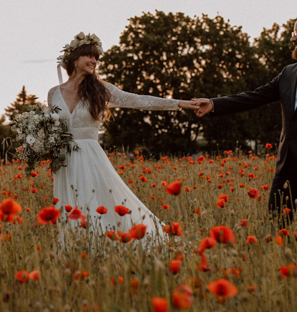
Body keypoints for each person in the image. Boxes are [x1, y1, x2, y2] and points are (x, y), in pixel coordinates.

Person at [195, 10, 297, 224]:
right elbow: (254, 97)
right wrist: (214, 104)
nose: (293, 38)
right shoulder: (288, 72)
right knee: (276, 228)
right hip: (287, 164)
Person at [48, 32, 202, 246]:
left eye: (96, 58)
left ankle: (108, 246)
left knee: (100, 202)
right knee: (70, 205)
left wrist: (178, 104)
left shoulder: (101, 90)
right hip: (64, 160)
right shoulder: (53, 93)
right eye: (90, 56)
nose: (94, 61)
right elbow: (51, 128)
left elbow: (139, 100)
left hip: (91, 158)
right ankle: (76, 250)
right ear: (75, 58)